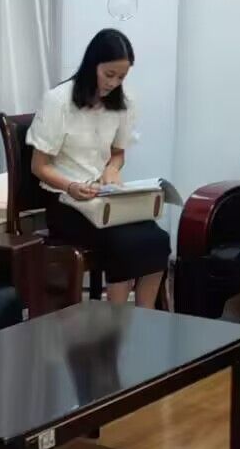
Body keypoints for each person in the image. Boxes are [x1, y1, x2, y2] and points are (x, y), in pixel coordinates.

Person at [30, 29, 171, 308]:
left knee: (157, 239)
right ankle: (115, 321)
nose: (114, 83)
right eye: (109, 74)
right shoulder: (58, 101)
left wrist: (112, 170)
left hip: (103, 197)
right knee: (124, 243)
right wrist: (71, 186)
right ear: (92, 64)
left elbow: (117, 153)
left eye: (121, 77)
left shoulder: (123, 102)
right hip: (65, 200)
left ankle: (146, 316)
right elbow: (39, 166)